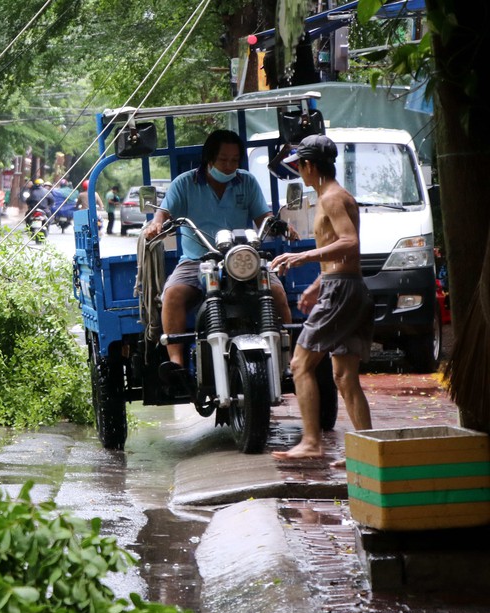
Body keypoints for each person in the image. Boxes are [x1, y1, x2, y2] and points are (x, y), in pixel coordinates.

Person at [142, 129, 296, 392]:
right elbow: (163, 215)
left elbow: (263, 218)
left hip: (241, 258)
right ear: (209, 160)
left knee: (277, 292)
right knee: (173, 294)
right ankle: (176, 364)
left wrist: (281, 227)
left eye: (235, 160)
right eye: (224, 160)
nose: (229, 166)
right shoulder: (184, 183)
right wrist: (155, 225)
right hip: (196, 260)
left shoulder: (246, 182)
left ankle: (291, 361)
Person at [268, 135, 373, 463]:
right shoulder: (333, 195)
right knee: (344, 376)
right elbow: (341, 255)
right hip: (347, 286)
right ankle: (368, 452)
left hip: (342, 291)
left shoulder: (330, 198)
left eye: (300, 166)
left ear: (309, 165)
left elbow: (349, 242)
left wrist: (303, 257)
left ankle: (311, 441)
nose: (300, 172)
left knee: (300, 364)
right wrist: (318, 284)